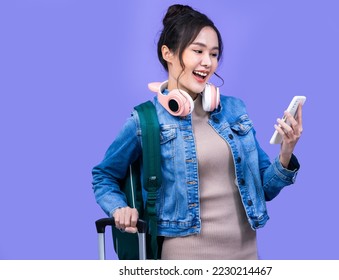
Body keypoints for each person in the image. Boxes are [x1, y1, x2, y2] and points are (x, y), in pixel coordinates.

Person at [92, 4, 303, 260]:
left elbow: (265, 189)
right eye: (198, 51)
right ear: (168, 53)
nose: (208, 62)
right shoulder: (146, 120)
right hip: (185, 259)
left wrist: (286, 152)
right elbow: (103, 175)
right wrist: (119, 209)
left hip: (246, 256)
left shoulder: (234, 110)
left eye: (214, 54)